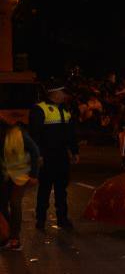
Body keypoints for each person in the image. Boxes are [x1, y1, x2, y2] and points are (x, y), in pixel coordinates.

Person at [30, 80, 79, 231]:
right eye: (63, 93)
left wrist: (75, 151)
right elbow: (34, 135)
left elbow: (71, 134)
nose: (65, 96)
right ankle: (40, 220)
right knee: (44, 189)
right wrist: (38, 155)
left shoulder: (65, 110)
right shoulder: (40, 109)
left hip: (61, 155)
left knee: (61, 190)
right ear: (55, 93)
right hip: (47, 156)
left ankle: (62, 219)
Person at [0, 122, 40, 250]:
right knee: (2, 205)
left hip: (20, 176)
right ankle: (6, 235)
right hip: (4, 176)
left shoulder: (17, 134)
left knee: (15, 203)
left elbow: (34, 151)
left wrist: (34, 175)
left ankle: (14, 237)